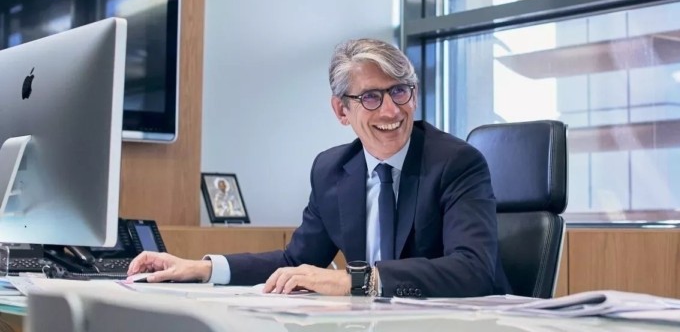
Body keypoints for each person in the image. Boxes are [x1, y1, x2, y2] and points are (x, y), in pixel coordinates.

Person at [128, 38, 510, 297]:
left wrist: (356, 281)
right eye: (371, 97)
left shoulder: (456, 162)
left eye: (399, 91)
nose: (391, 110)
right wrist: (205, 268)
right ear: (342, 110)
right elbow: (295, 262)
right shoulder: (332, 169)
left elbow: (472, 269)